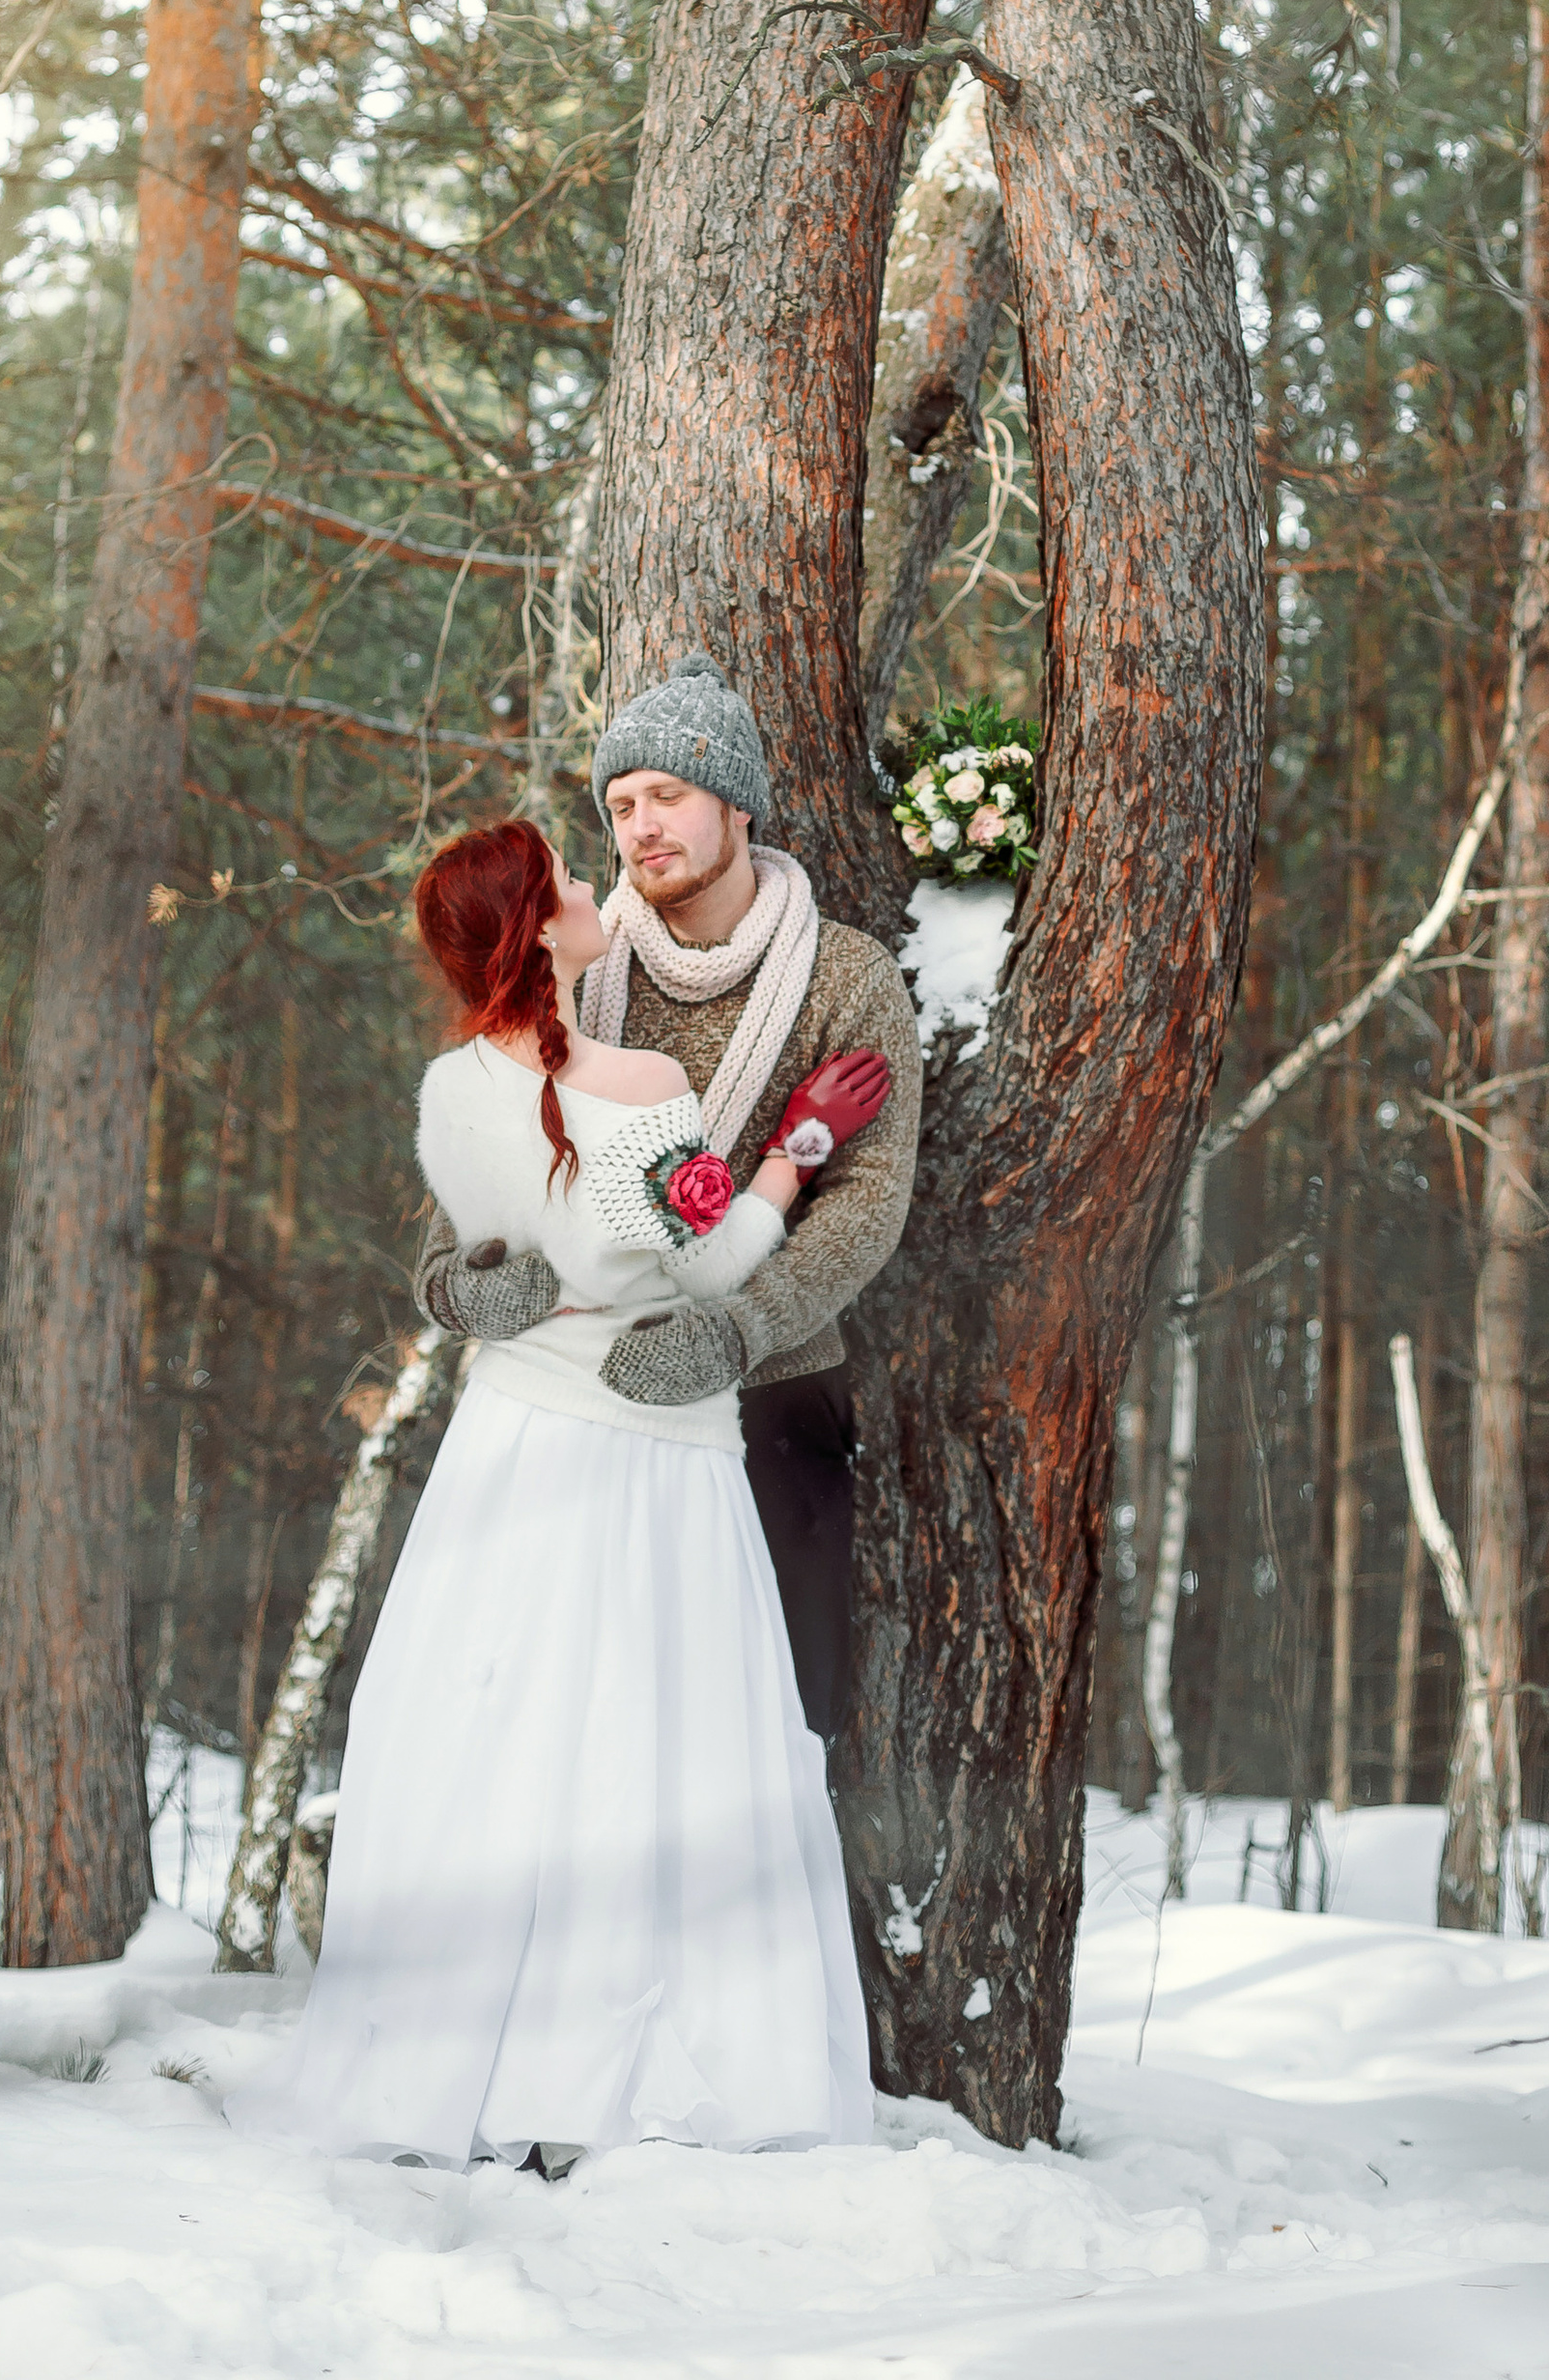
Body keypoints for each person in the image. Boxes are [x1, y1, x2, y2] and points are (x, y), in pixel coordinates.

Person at [225, 813, 876, 2173]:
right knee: (651, 1751)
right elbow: (713, 1264)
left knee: (495, 1734)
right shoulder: (637, 1083)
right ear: (536, 930)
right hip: (654, 1456)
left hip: (511, 1445)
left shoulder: (451, 1088)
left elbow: (481, 1259)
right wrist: (800, 1147)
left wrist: (464, 1289)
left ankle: (456, 2055)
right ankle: (608, 2072)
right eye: (566, 882)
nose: (592, 886)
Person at [417, 648, 923, 1745]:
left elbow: (870, 1200)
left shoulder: (846, 979)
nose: (640, 825)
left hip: (777, 1384)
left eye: (668, 795)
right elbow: (494, 1147)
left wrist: (736, 1332)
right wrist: (454, 1285)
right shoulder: (581, 970)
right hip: (585, 1394)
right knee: (575, 1717)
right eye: (620, 804)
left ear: (735, 802)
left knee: (772, 1721)